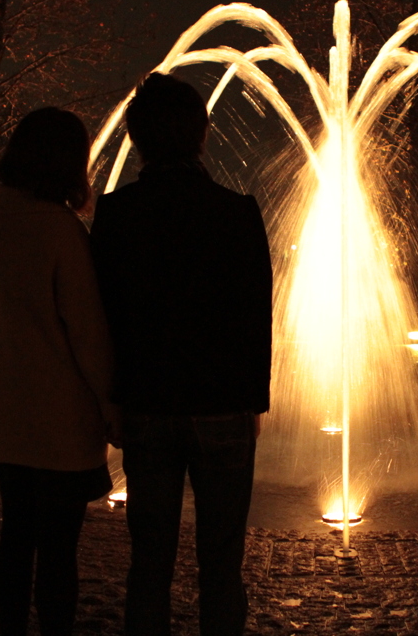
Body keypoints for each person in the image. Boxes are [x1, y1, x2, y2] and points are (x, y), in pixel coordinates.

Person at [90, 72, 273, 636]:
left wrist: (113, 401)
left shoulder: (117, 215)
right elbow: (256, 315)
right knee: (222, 566)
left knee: (150, 563)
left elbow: (107, 316)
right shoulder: (237, 211)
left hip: (148, 403)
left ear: (137, 139)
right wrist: (253, 402)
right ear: (203, 133)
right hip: (223, 405)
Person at [0, 107, 122, 636]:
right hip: (59, 423)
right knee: (58, 551)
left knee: (15, 536)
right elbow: (88, 336)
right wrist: (109, 406)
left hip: (4, 418)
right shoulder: (59, 231)